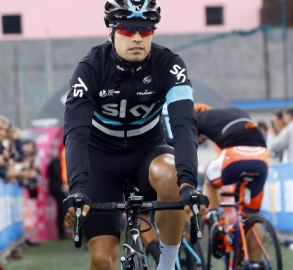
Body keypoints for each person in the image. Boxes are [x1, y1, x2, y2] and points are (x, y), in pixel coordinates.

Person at [62, 1, 208, 270]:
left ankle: (167, 265)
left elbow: (184, 124)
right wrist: (78, 188)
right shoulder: (90, 68)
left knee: (170, 175)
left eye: (146, 29)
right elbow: (76, 132)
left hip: (147, 150)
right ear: (111, 32)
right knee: (103, 260)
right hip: (100, 158)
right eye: (128, 30)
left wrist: (188, 183)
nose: (138, 38)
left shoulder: (170, 65)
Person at [195, 104, 269, 268]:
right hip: (261, 157)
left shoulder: (198, 118)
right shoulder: (234, 112)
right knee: (252, 217)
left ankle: (214, 218)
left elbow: (190, 143)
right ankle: (255, 263)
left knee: (209, 181)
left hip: (234, 155)